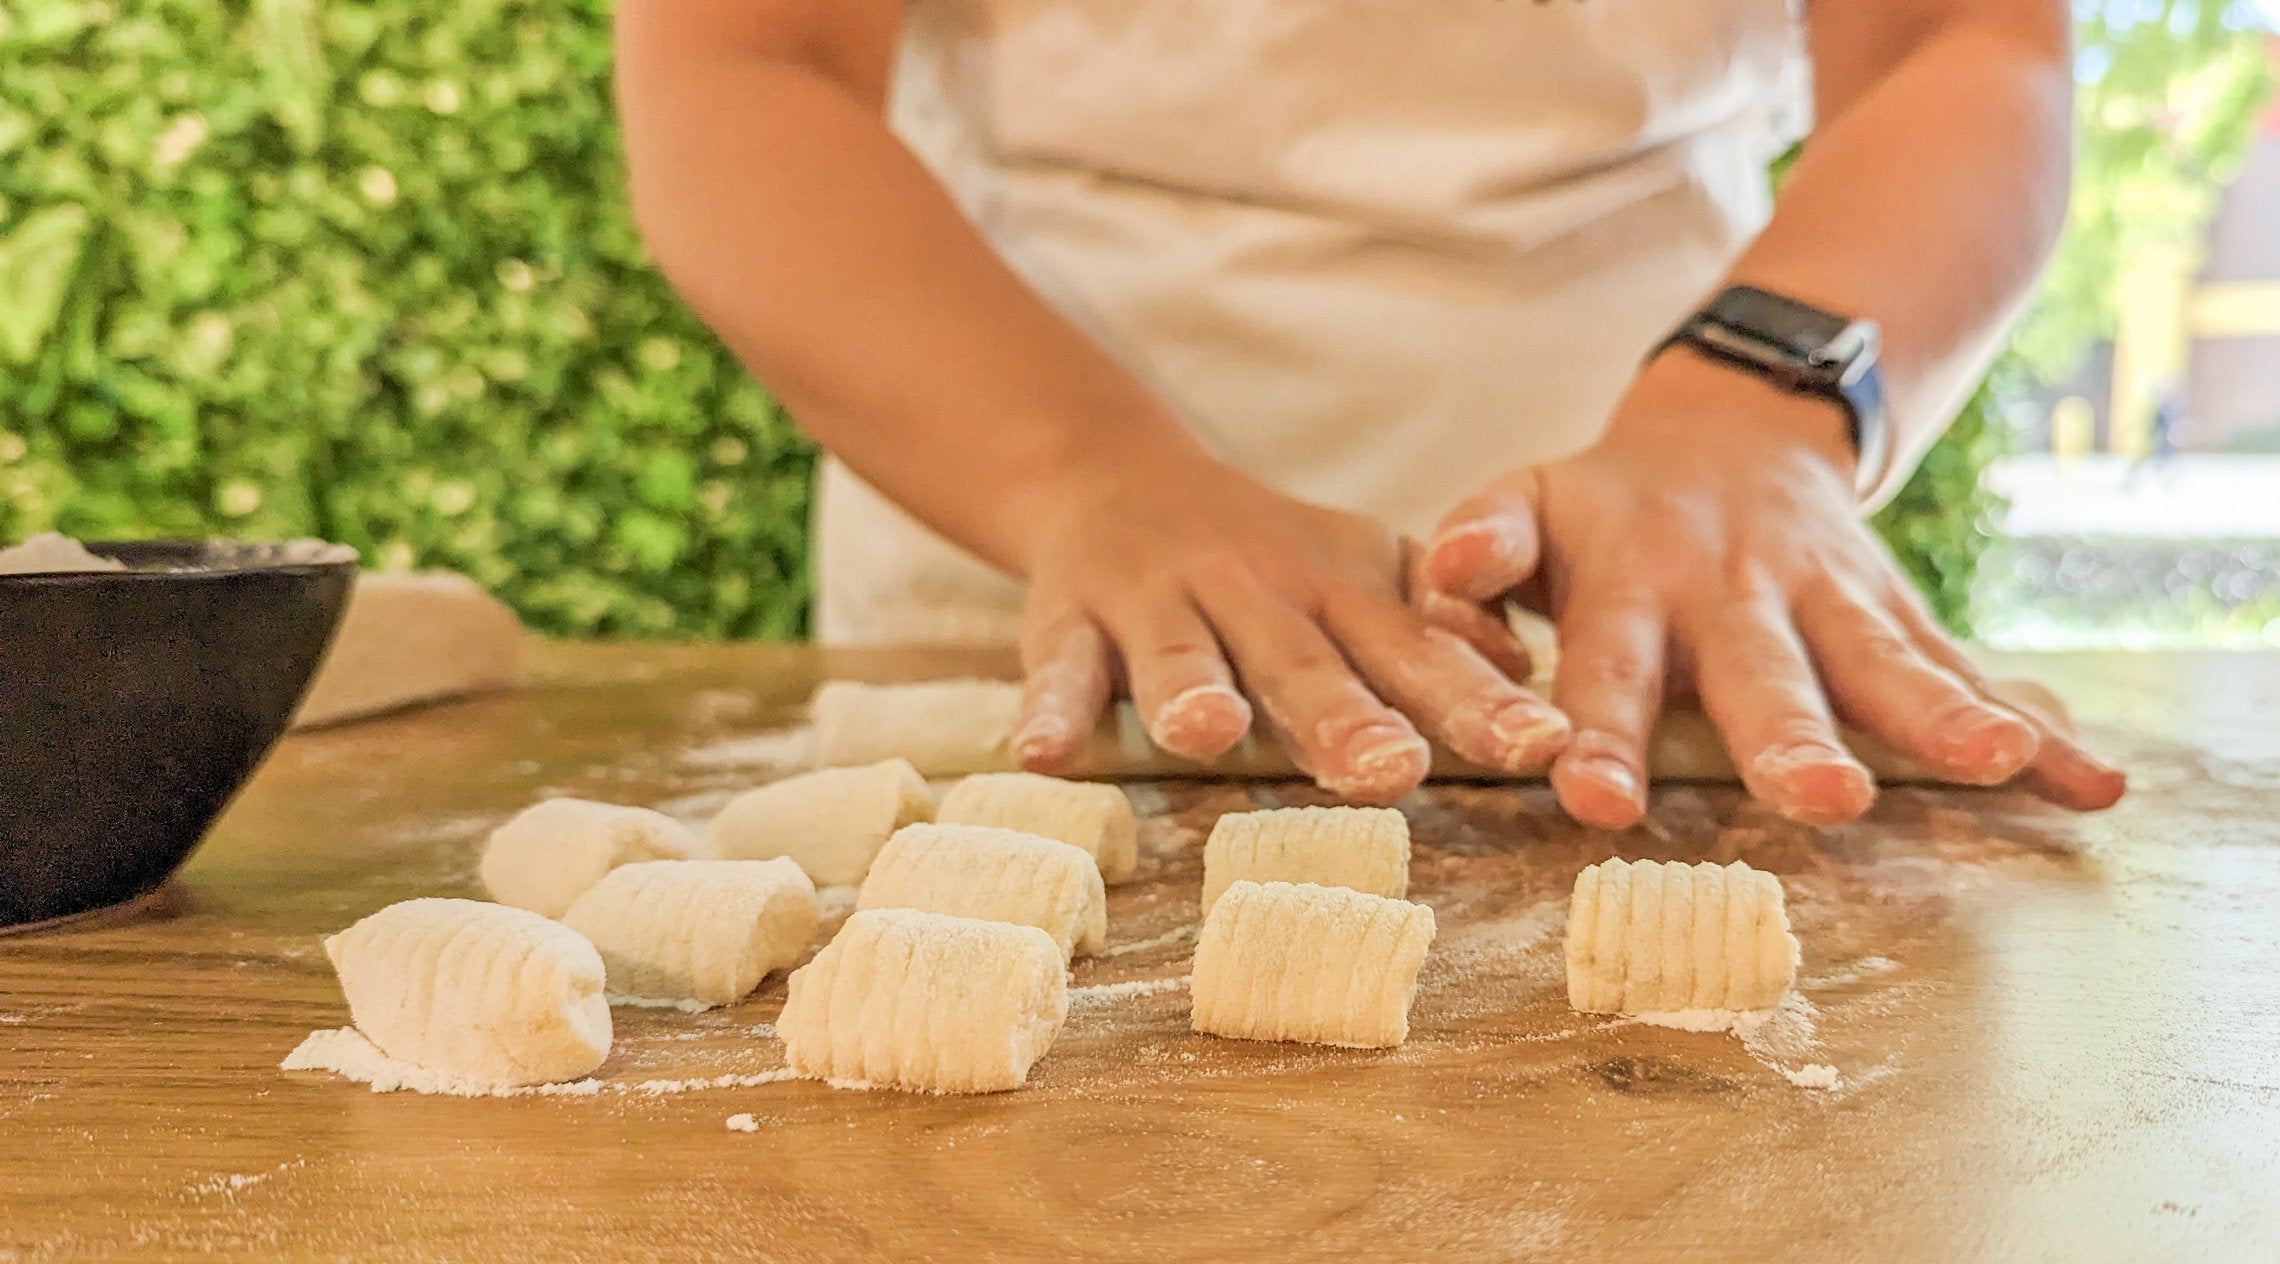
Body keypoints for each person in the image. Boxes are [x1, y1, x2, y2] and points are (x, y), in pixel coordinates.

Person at [615, 0, 2126, 829]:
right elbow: (745, 64)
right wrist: (1077, 472)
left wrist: (1765, 407)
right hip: (1014, 510)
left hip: (1642, 575)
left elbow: (1963, 40)